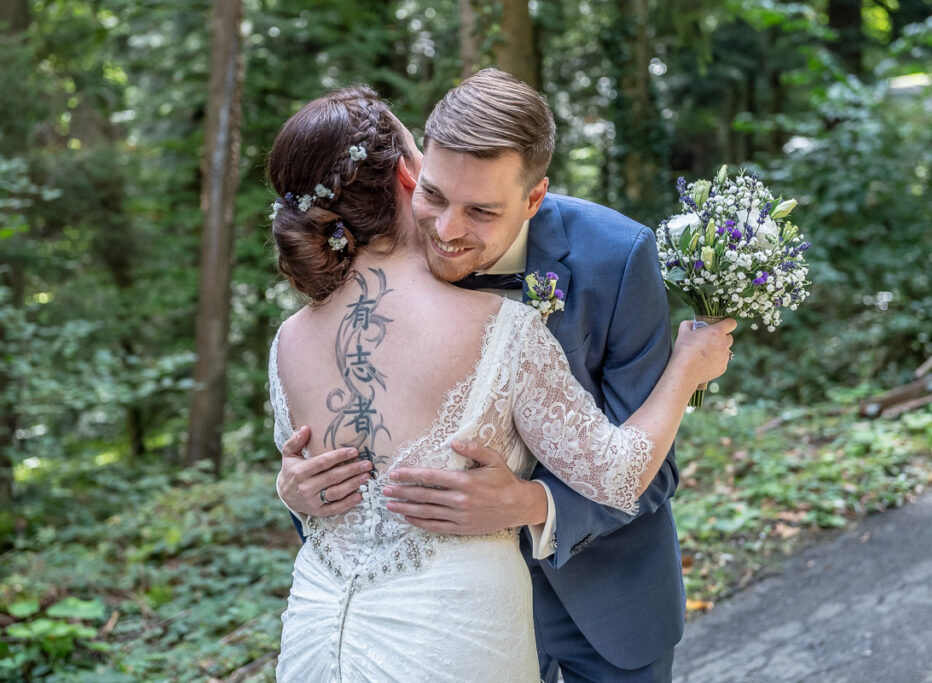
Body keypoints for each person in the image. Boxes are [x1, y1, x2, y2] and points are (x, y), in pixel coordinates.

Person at [270, 76, 733, 682]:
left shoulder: (615, 256)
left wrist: (532, 505)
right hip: (431, 627)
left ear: (534, 197)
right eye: (432, 194)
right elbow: (352, 487)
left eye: (482, 212)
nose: (446, 230)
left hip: (607, 601)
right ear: (411, 175)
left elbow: (655, 469)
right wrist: (297, 495)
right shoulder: (355, 286)